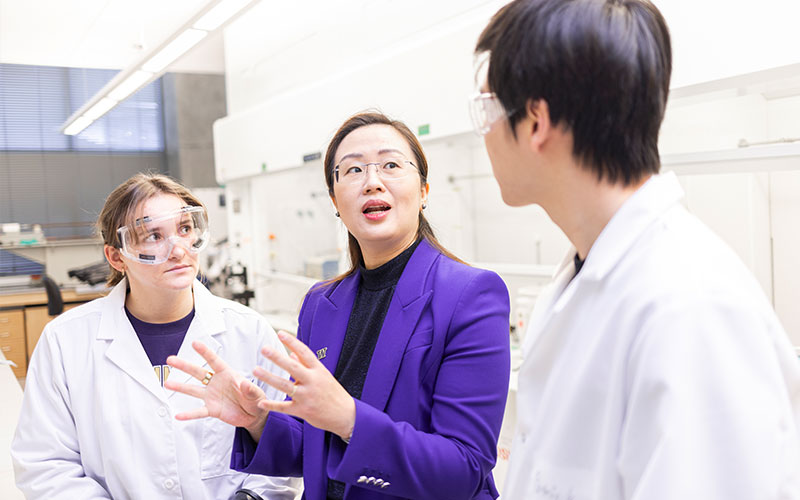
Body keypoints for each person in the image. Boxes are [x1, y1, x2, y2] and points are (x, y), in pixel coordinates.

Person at [471, 0, 800, 498]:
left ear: (536, 120)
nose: (485, 135)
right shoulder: (582, 281)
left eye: (488, 109)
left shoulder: (689, 307)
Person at [165, 111, 512, 499]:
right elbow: (316, 449)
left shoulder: (470, 295)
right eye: (353, 170)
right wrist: (258, 420)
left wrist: (349, 420)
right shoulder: (321, 304)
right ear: (335, 200)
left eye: (391, 165)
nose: (372, 182)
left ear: (424, 191)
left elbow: (464, 468)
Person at [11, 173, 299, 499]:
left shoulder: (249, 331)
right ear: (116, 257)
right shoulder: (65, 341)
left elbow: (286, 454)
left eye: (185, 229)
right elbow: (45, 464)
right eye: (152, 235)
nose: (178, 250)